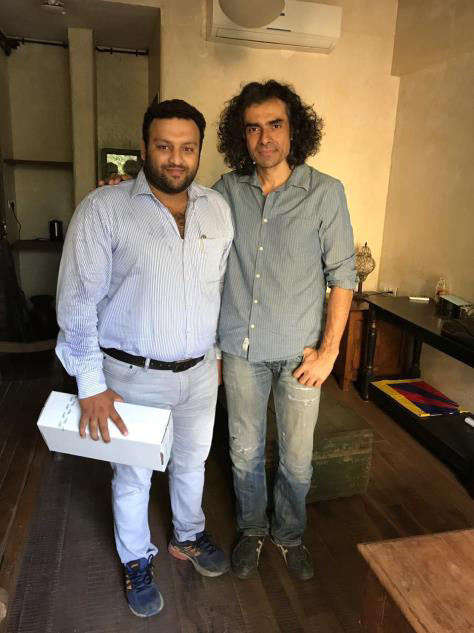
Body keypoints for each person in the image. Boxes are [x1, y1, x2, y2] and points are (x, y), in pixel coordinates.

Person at [55, 97, 234, 618]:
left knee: (193, 462)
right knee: (133, 477)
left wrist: (215, 356)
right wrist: (90, 384)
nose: (176, 159)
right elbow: (77, 301)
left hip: (199, 373)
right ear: (143, 148)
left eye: (187, 148)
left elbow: (217, 289)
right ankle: (136, 559)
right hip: (131, 376)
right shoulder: (103, 209)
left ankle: (188, 535)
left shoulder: (217, 210)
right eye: (164, 146)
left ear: (199, 151)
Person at [213, 80, 356, 581]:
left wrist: (329, 353)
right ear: (242, 136)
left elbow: (343, 277)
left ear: (295, 130)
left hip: (301, 355)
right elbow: (189, 235)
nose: (265, 137)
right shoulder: (226, 191)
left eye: (275, 124)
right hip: (241, 350)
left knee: (297, 458)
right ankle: (253, 530)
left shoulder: (326, 193)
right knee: (244, 452)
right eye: (253, 128)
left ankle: (289, 535)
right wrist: (126, 194)